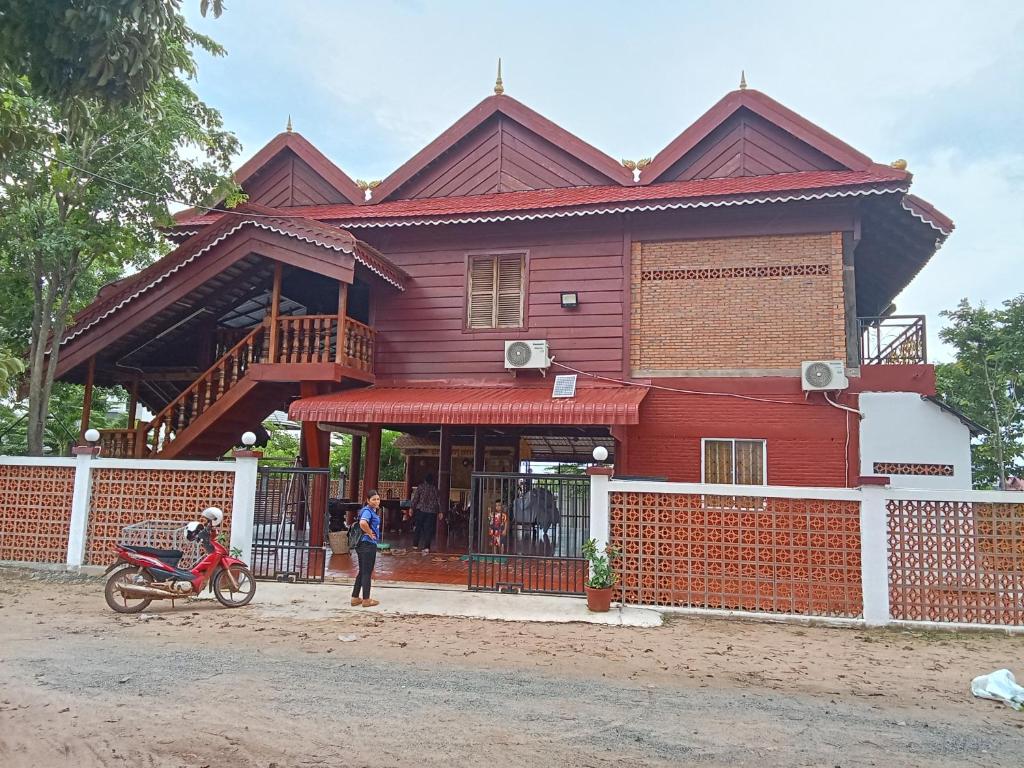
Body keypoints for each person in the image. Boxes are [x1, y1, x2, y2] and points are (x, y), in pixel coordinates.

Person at [350, 490, 382, 607]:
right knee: (367, 572)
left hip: (362, 545)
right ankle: (366, 599)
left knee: (363, 571)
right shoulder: (368, 511)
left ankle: (355, 597)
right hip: (367, 544)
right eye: (373, 499)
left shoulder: (369, 511)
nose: (376, 501)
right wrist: (370, 533)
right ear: (368, 500)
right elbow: (363, 523)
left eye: (378, 499)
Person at [410, 473, 441, 555]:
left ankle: (415, 545)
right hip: (431, 512)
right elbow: (439, 501)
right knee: (428, 530)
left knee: (418, 528)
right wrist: (440, 512)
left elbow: (415, 498)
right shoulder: (435, 489)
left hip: (421, 510)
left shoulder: (420, 487)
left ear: (425, 480)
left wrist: (411, 508)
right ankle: (426, 547)